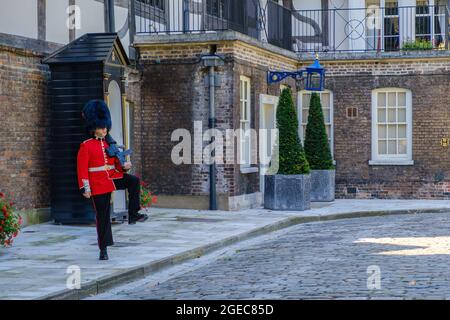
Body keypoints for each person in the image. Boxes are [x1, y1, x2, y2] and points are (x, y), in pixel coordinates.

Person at [77, 100, 148, 261]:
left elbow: (118, 165)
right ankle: (103, 248)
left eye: (105, 127)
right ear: (94, 127)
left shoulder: (110, 143)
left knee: (133, 181)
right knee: (103, 216)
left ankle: (133, 213)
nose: (105, 129)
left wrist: (125, 167)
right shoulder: (86, 146)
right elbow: (82, 169)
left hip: (113, 178)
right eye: (102, 127)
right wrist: (85, 188)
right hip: (98, 183)